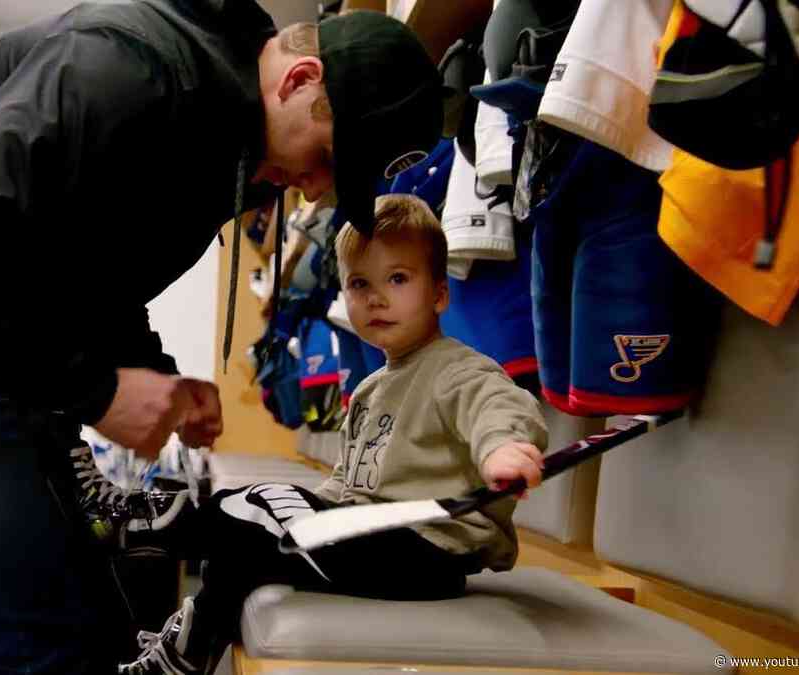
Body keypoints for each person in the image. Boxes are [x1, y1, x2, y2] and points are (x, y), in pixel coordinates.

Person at [0, 2, 443, 673]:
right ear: (297, 80)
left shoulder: (219, 136)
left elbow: (88, 275)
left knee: (92, 634)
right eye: (326, 158)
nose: (315, 189)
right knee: (45, 640)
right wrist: (97, 391)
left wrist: (155, 374)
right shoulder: (131, 66)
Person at [121, 194, 548, 675]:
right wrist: (309, 505)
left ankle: (161, 524)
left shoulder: (458, 370)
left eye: (398, 279)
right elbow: (344, 485)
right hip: (367, 541)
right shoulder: (369, 389)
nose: (376, 298)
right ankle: (186, 652)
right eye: (359, 283)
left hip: (426, 554)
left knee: (258, 504)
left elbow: (501, 406)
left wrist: (504, 450)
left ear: (440, 294)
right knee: (245, 546)